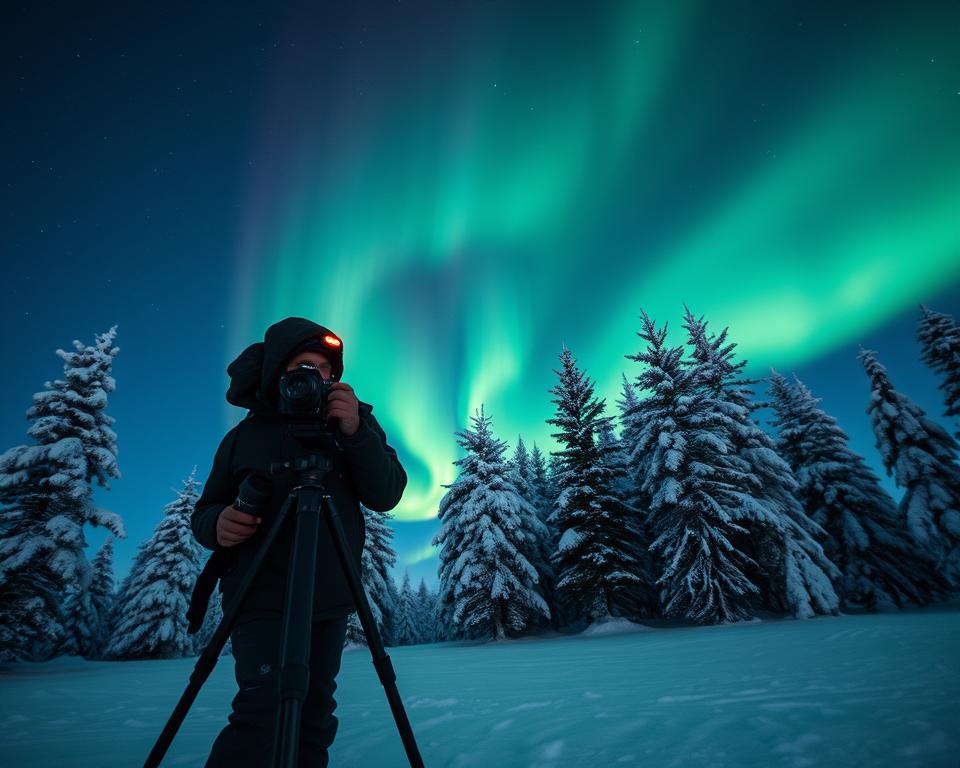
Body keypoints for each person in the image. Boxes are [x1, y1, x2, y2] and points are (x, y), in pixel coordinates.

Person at [192, 316, 407, 767]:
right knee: (261, 713)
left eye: (326, 370)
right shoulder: (244, 437)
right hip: (260, 596)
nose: (316, 377)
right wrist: (219, 524)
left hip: (328, 600)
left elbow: (387, 494)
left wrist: (356, 433)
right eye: (303, 366)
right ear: (278, 374)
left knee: (314, 717)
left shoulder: (352, 425)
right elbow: (206, 511)